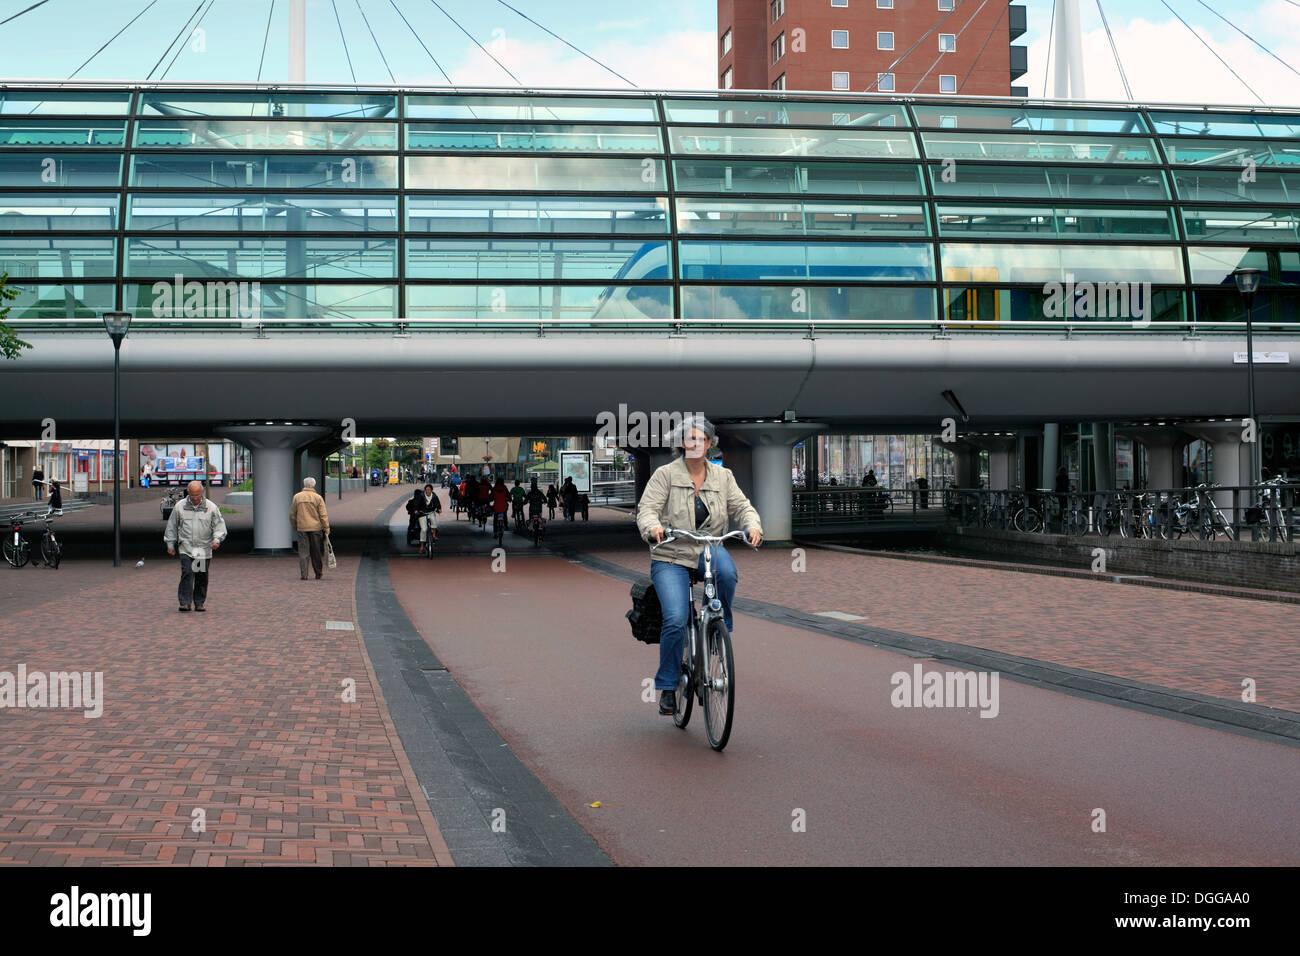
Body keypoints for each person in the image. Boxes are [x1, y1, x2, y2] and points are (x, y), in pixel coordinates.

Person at [636, 415, 762, 717]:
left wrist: (753, 526)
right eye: (690, 439)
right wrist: (653, 528)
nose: (696, 444)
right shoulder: (665, 475)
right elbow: (647, 509)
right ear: (682, 443)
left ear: (709, 444)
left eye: (702, 440)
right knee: (676, 618)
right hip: (671, 554)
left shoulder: (723, 477)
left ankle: (718, 628)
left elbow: (741, 507)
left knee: (728, 573)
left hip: (708, 548)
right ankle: (668, 686)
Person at [164, 480, 228, 612]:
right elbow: (172, 526)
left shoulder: (210, 507)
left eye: (197, 495)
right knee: (187, 573)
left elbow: (219, 526)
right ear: (188, 493)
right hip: (186, 547)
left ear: (202, 493)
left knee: (200, 575)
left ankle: (199, 602)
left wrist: (217, 540)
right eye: (192, 495)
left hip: (202, 548)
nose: (195, 498)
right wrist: (170, 543)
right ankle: (185, 602)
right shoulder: (179, 507)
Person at [290, 476, 331, 580]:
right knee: (316, 551)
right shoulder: (318, 497)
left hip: (302, 528)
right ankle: (318, 573)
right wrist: (326, 528)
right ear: (314, 485)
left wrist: (295, 525)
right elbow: (323, 515)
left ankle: (304, 574)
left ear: (304, 485)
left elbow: (292, 514)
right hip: (315, 528)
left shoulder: (297, 497)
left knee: (303, 552)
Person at [409, 483, 441, 552]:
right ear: (425, 490)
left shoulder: (434, 496)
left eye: (429, 489)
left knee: (434, 522)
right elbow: (417, 504)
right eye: (426, 490)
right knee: (423, 529)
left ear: (432, 490)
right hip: (422, 513)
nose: (428, 491)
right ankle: (422, 546)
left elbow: (437, 503)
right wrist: (416, 510)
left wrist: (439, 509)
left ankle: (434, 535)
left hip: (431, 512)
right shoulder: (421, 496)